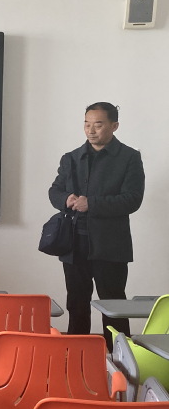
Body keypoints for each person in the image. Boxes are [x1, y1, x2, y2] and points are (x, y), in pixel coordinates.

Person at [49, 102, 144, 349]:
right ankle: (76, 354)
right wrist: (65, 199)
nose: (91, 130)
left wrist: (91, 204)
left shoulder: (129, 158)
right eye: (87, 124)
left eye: (98, 125)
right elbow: (55, 190)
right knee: (76, 303)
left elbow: (132, 199)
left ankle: (119, 358)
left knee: (114, 305)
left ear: (114, 126)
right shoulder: (71, 158)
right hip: (74, 243)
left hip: (110, 244)